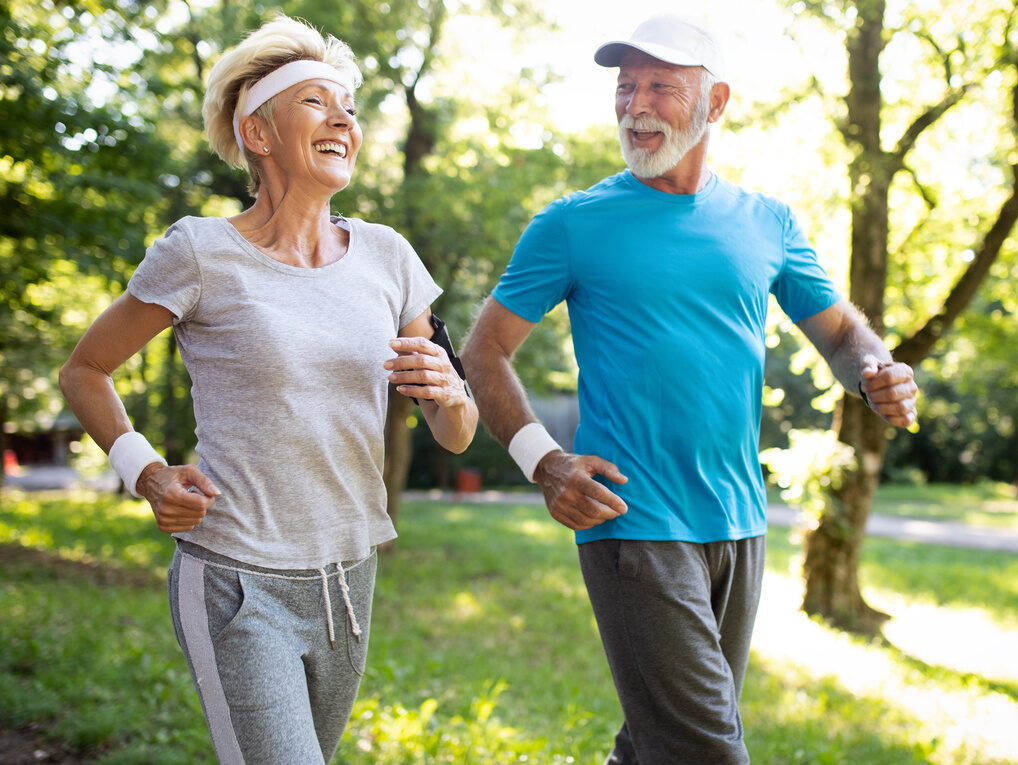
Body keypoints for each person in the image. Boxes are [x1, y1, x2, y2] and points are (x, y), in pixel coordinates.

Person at [461, 14, 918, 765]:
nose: (635, 105)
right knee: (706, 748)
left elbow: (842, 335)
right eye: (626, 86)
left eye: (660, 87)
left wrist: (878, 369)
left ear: (717, 103)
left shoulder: (768, 222)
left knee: (658, 744)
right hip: (632, 520)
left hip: (739, 521)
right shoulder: (572, 224)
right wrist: (545, 462)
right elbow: (483, 352)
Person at [59, 15, 476, 764]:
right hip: (236, 578)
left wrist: (450, 392)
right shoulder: (200, 251)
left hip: (349, 577)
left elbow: (456, 432)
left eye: (349, 107)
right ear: (257, 132)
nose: (343, 120)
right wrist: (145, 471)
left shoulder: (388, 257)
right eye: (316, 102)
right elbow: (84, 370)